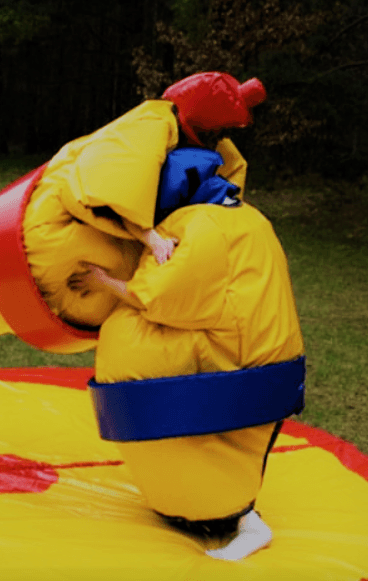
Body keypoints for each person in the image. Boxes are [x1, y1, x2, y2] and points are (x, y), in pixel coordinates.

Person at [0, 72, 266, 394]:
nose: (219, 138)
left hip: (103, 273)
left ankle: (199, 397)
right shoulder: (150, 127)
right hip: (55, 245)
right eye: (217, 130)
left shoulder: (209, 160)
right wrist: (150, 236)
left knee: (160, 328)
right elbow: (108, 184)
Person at [73, 173, 306, 561]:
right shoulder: (248, 217)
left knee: (139, 354)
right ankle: (218, 512)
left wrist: (102, 282)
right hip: (269, 352)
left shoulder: (200, 226)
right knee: (221, 444)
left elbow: (162, 295)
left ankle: (246, 521)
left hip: (242, 359)